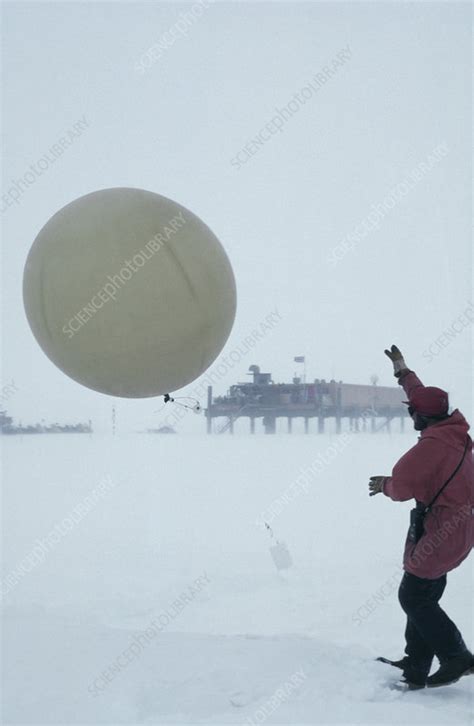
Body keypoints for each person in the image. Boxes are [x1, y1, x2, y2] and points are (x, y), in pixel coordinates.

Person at [368, 345, 474, 690]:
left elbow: (402, 487)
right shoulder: (452, 430)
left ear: (422, 418)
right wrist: (402, 371)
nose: (409, 416)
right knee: (424, 592)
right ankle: (416, 663)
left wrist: (383, 484)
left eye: (412, 413)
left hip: (443, 529)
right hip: (460, 527)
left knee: (412, 596)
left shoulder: (431, 448)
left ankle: (456, 656)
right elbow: (424, 396)